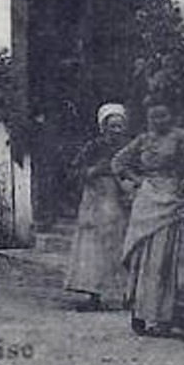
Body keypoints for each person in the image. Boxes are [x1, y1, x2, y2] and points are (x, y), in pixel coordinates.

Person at [112, 99, 184, 336]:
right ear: (148, 118)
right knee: (141, 257)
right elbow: (118, 162)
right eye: (154, 117)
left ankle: (161, 316)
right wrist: (137, 182)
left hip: (171, 200)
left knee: (162, 259)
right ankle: (139, 312)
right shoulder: (143, 139)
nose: (158, 121)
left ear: (171, 116)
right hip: (146, 200)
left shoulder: (182, 138)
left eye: (163, 116)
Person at [63, 103, 133, 311]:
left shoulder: (131, 147)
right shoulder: (93, 147)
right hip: (96, 200)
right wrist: (94, 170)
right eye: (112, 126)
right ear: (103, 127)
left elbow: (139, 169)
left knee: (123, 246)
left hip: (121, 200)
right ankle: (93, 294)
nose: (116, 131)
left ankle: (127, 294)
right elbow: (74, 172)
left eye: (120, 126)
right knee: (93, 248)